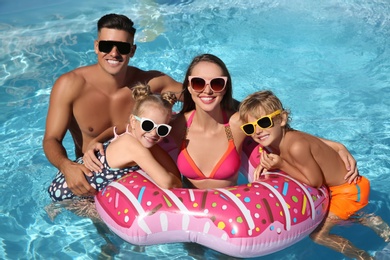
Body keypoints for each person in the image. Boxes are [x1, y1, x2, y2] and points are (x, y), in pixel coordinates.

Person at [84, 54, 360, 190]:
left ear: (225, 87)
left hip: (235, 219)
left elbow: (282, 131)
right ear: (189, 87)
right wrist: (95, 142)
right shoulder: (177, 125)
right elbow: (131, 128)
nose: (207, 90)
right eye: (198, 83)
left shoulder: (238, 123)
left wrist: (335, 146)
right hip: (188, 217)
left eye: (216, 83)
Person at [238, 90, 390, 260]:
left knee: (318, 235)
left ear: (281, 119)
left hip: (348, 190)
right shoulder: (280, 138)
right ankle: (371, 221)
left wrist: (280, 164)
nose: (258, 131)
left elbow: (315, 181)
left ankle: (365, 257)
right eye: (250, 127)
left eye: (264, 122)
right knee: (357, 217)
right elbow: (321, 146)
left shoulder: (296, 146)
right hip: (342, 188)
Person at [43, 13, 182, 198]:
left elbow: (202, 94)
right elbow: (51, 139)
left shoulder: (152, 82)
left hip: (135, 174)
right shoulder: (70, 85)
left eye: (122, 47)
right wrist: (66, 166)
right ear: (96, 46)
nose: (114, 53)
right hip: (93, 180)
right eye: (106, 46)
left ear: (132, 50)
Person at [48, 84, 182, 201]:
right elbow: (168, 183)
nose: (154, 133)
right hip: (71, 195)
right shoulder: (133, 146)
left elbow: (119, 126)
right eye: (148, 125)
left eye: (162, 129)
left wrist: (96, 140)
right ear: (133, 121)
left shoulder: (129, 131)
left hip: (66, 181)